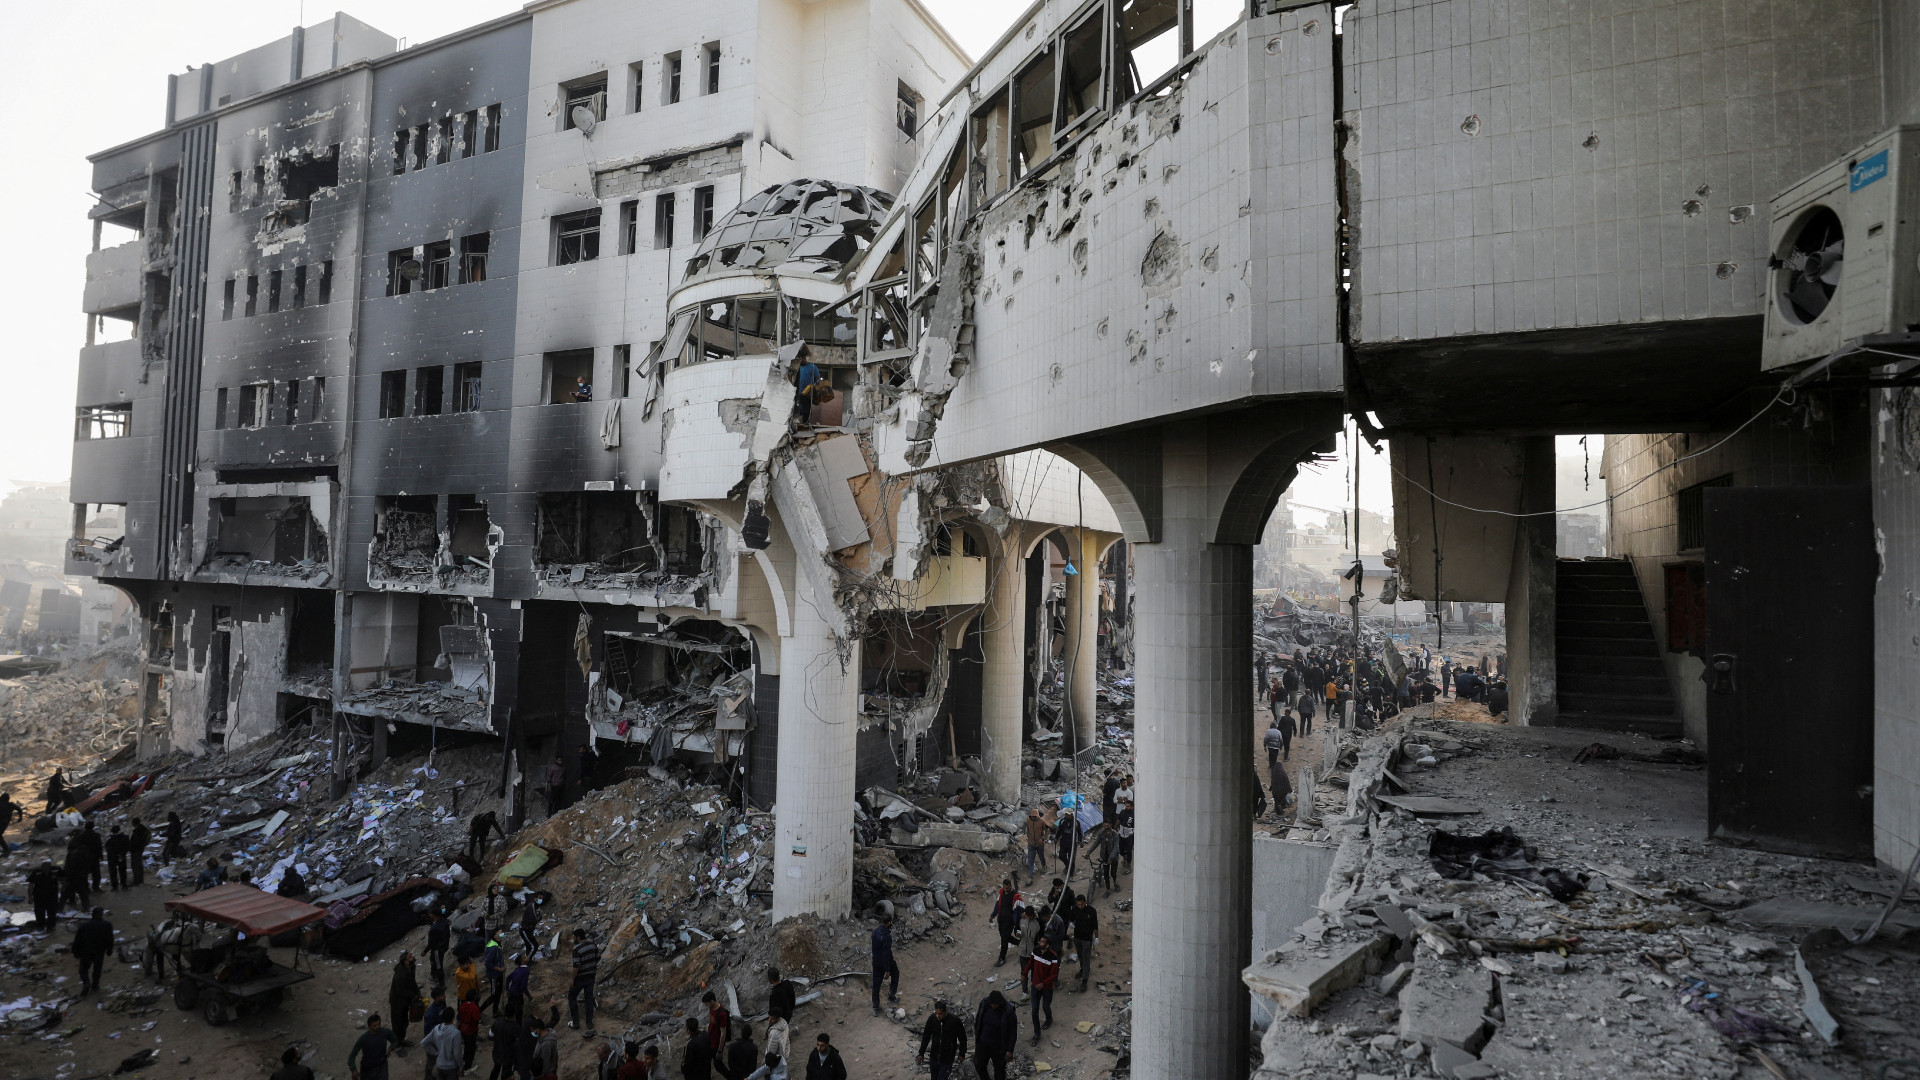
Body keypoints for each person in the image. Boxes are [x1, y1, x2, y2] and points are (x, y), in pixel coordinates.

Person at [971, 992, 1018, 1080]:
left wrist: (1010, 1050)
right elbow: (978, 1019)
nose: (993, 1006)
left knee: (1000, 1072)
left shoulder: (1008, 1011)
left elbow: (1013, 1032)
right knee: (978, 1064)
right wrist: (977, 1033)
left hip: (999, 1048)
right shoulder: (984, 1004)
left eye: (995, 1004)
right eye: (992, 1004)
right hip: (983, 1043)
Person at [915, 1001, 967, 1080]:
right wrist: (921, 1053)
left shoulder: (955, 1021)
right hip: (934, 1057)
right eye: (936, 1013)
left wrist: (962, 1053)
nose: (938, 1016)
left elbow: (962, 1038)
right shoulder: (932, 1019)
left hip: (947, 1059)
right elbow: (926, 1036)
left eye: (940, 1014)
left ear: (945, 1012)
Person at [72, 906, 113, 994]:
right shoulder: (107, 925)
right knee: (97, 968)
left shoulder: (84, 926)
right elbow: (110, 939)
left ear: (92, 915)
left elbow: (77, 940)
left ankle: (86, 982)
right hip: (99, 951)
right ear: (101, 915)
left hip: (86, 950)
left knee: (83, 969)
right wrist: (110, 950)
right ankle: (95, 985)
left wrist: (75, 951)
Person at [349, 1015, 402, 1080]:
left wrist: (390, 1048)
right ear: (369, 1027)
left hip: (382, 1066)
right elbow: (352, 1056)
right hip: (367, 1069)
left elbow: (394, 1041)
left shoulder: (385, 1032)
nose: (377, 1026)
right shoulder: (364, 1039)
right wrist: (353, 1070)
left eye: (379, 1024)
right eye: (374, 1025)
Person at [1026, 937, 1059, 1040]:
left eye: (1042, 942)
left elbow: (1054, 974)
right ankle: (1037, 1034)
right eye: (1040, 941)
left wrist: (1043, 983)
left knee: (1045, 1007)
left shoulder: (1053, 956)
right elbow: (1030, 963)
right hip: (1035, 985)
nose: (1039, 942)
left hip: (1047, 988)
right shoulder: (1036, 950)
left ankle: (1049, 1019)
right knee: (1034, 1010)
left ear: (1047, 945)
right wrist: (1024, 974)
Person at [569, 927, 600, 1031]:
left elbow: (576, 966)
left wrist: (572, 979)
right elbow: (598, 957)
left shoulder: (576, 949)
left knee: (572, 998)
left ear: (578, 938)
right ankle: (589, 1022)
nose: (573, 939)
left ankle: (576, 1022)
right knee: (589, 999)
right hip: (591, 975)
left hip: (580, 978)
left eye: (574, 937)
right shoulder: (593, 945)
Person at [390, 951, 423, 1047]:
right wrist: (413, 996)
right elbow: (401, 990)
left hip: (405, 1001)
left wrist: (417, 992)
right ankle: (397, 1045)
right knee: (397, 1025)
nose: (412, 957)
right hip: (397, 1002)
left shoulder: (411, 967)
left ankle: (401, 1040)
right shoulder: (400, 975)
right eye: (410, 957)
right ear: (405, 961)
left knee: (404, 1022)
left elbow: (412, 981)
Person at [868, 913, 898, 1015]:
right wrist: (887, 970)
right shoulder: (887, 936)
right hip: (885, 962)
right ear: (889, 922)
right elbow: (886, 953)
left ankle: (876, 1008)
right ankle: (891, 997)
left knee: (876, 985)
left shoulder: (875, 932)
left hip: (876, 962)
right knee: (896, 974)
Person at [422, 1009, 464, 1080]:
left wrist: (435, 1052)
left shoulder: (436, 1029)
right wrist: (461, 1066)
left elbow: (424, 1042)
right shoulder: (456, 1033)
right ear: (453, 1017)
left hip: (440, 1064)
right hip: (451, 1067)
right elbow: (457, 1054)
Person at [988, 879, 1022, 966]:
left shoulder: (1015, 896)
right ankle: (1020, 944)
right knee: (1005, 937)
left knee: (1004, 939)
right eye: (1005, 888)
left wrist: (1017, 924)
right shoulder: (1001, 893)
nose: (1006, 889)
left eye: (1007, 888)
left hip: (1010, 922)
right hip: (1001, 920)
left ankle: (1002, 958)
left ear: (1010, 886)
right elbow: (997, 905)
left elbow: (1020, 910)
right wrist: (993, 915)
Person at [1068, 895, 1098, 991]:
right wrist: (1070, 923)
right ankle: (1082, 970)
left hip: (1087, 939)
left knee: (1086, 959)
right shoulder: (1075, 909)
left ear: (1085, 902)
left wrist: (1096, 937)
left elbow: (1095, 925)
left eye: (1081, 904)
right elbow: (1071, 919)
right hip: (1077, 938)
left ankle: (1084, 981)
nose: (1080, 906)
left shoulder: (1092, 911)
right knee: (1080, 956)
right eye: (1078, 904)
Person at [486, 1010, 523, 1080]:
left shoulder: (497, 1023)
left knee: (496, 1069)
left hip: (496, 1053)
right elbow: (518, 1045)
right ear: (514, 1015)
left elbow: (490, 1036)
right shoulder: (516, 1028)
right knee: (506, 1073)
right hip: (508, 1057)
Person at [28, 859, 61, 928]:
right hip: (39, 895)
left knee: (52, 912)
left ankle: (51, 926)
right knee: (39, 912)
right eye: (44, 870)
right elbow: (31, 885)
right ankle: (40, 926)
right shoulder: (36, 872)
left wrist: (63, 889)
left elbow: (63, 879)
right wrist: (30, 897)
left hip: (52, 895)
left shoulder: (56, 871)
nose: (45, 871)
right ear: (42, 868)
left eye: (47, 870)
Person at [1015, 907, 1040, 993]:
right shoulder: (1022, 920)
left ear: (1033, 915)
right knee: (1023, 972)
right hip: (1022, 951)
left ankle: (1034, 990)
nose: (1028, 917)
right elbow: (1017, 928)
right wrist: (1017, 934)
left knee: (1034, 972)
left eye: (1029, 916)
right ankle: (1024, 991)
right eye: (1027, 915)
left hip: (1032, 952)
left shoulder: (1037, 924)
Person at [459, 990, 484, 1071]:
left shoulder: (463, 1005)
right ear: (474, 998)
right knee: (471, 1048)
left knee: (467, 1045)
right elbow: (477, 1019)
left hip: (463, 1029)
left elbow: (459, 1015)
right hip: (471, 1030)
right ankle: (468, 1066)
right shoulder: (474, 1008)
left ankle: (465, 1058)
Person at [482, 933, 507, 1014]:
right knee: (494, 995)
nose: (502, 935)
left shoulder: (497, 944)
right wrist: (499, 968)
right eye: (500, 933)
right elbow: (487, 963)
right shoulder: (493, 948)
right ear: (495, 937)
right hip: (494, 975)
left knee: (498, 992)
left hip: (498, 974)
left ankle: (495, 1012)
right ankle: (479, 1010)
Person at [702, 990, 732, 1056]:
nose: (706, 1006)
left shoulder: (722, 1014)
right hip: (710, 1038)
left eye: (707, 1004)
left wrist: (720, 1050)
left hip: (716, 1042)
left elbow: (723, 1033)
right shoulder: (711, 1008)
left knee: (717, 1061)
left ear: (712, 1001)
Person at [101, 824, 131, 891]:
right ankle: (124, 885)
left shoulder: (109, 839)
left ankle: (115, 886)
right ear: (119, 830)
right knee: (122, 871)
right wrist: (122, 853)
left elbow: (107, 849)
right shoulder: (125, 837)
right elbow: (128, 846)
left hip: (112, 857)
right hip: (121, 856)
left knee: (113, 872)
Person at [1022, 808, 1047, 885]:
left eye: (1034, 816)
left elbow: (1047, 831)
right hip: (1031, 843)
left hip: (1040, 844)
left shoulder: (1042, 822)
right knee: (1030, 860)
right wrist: (1028, 836)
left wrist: (1043, 839)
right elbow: (1028, 830)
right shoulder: (1028, 821)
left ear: (1037, 815)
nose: (1033, 817)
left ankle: (1044, 866)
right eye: (1032, 816)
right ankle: (1030, 877)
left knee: (1041, 856)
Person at [428, 911, 452, 984]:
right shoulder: (444, 922)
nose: (429, 914)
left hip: (437, 949)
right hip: (444, 946)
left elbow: (431, 942)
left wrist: (425, 951)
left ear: (434, 915)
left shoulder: (435, 927)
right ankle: (433, 974)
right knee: (433, 960)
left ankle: (441, 982)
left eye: (431, 913)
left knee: (438, 965)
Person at [80, 819, 104, 892]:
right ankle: (96, 887)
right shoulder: (96, 835)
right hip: (94, 857)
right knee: (96, 873)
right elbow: (99, 846)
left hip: (85, 857)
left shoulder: (81, 836)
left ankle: (86, 888)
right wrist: (101, 856)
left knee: (85, 873)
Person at [504, 955, 531, 1020]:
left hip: (511, 993)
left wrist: (507, 989)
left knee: (510, 1011)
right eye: (524, 957)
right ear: (522, 962)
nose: (527, 956)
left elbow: (508, 978)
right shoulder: (526, 971)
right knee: (519, 1013)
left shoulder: (517, 969)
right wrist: (528, 995)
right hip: (518, 995)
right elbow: (523, 986)